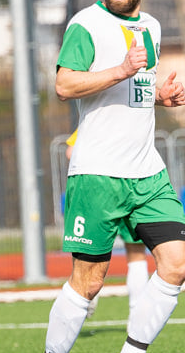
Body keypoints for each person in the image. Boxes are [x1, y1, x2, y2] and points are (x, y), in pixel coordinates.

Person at [31, 0, 185, 353]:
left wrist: (160, 94)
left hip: (147, 172)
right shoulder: (86, 25)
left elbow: (139, 88)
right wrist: (121, 69)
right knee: (91, 279)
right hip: (98, 173)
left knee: (177, 263)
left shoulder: (153, 27)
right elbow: (64, 84)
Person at [64, 129, 151, 319]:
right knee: (136, 255)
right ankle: (137, 317)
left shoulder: (98, 118)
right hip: (131, 188)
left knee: (88, 256)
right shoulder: (131, 117)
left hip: (99, 190)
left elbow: (70, 152)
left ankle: (85, 296)